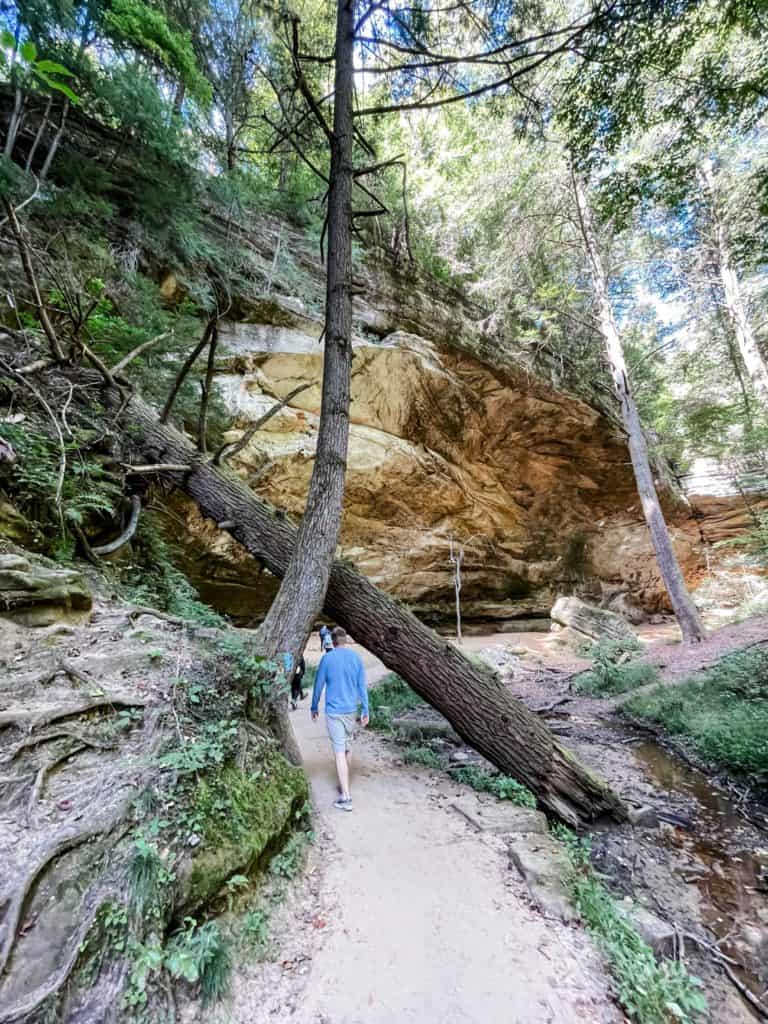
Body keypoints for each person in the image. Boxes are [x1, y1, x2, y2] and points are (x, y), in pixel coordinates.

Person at [311, 627, 369, 812]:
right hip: (351, 711)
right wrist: (365, 709)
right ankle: (345, 784)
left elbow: (318, 685)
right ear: (345, 640)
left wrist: (314, 706)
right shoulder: (356, 658)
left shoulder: (327, 659)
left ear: (333, 641)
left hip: (334, 712)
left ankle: (346, 797)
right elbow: (362, 686)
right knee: (347, 747)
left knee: (339, 752)